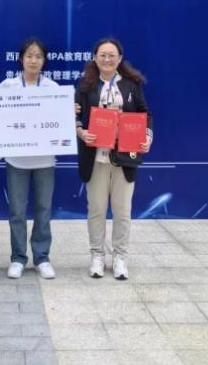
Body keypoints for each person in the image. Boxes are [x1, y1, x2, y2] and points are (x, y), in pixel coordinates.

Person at [75, 38, 153, 280]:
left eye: (111, 55)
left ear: (119, 58)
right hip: (95, 158)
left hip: (124, 158)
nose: (107, 59)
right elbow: (75, 115)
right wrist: (81, 132)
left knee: (122, 211)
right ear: (95, 57)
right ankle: (97, 256)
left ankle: (120, 257)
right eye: (102, 55)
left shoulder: (131, 84)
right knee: (96, 210)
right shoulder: (85, 84)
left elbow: (145, 114)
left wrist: (147, 136)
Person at [0, 38, 57, 280]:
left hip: (44, 161)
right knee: (17, 212)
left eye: (38, 56)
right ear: (21, 59)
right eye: (29, 56)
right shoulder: (8, 86)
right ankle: (18, 258)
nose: (33, 60)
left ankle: (42, 258)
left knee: (43, 210)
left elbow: (60, 121)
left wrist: (68, 111)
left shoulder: (53, 88)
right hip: (17, 161)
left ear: (44, 61)